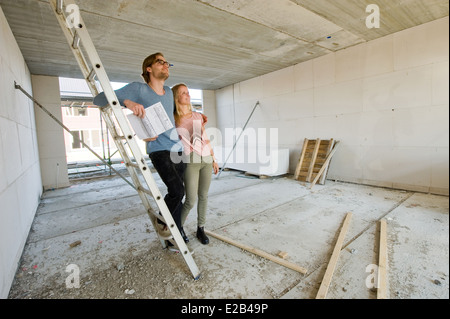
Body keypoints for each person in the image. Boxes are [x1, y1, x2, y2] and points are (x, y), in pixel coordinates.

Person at [93, 52, 188, 247]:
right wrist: (126, 102)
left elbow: (169, 120)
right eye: (160, 62)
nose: (166, 65)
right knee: (177, 190)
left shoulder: (169, 92)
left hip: (178, 149)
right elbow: (99, 99)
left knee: (178, 195)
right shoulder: (138, 89)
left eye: (167, 63)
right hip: (158, 149)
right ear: (149, 68)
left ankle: (174, 234)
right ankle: (162, 222)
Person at [172, 83, 219, 245]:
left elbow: (205, 137)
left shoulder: (198, 116)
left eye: (188, 92)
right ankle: (177, 229)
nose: (188, 95)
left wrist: (213, 159)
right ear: (176, 97)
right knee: (190, 199)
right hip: (190, 160)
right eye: (183, 93)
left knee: (203, 196)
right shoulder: (174, 118)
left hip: (206, 159)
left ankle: (201, 228)